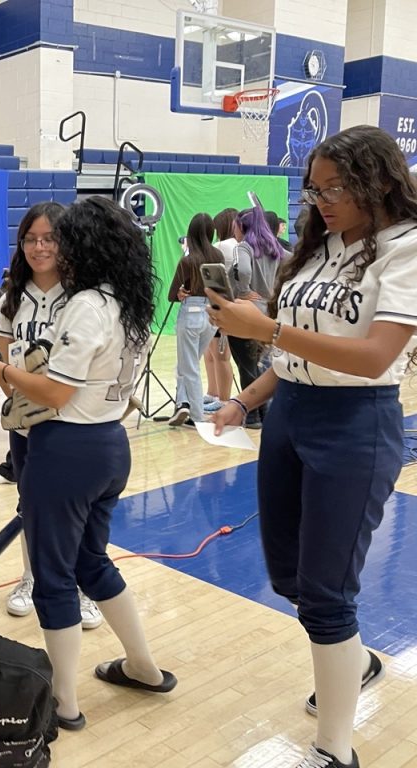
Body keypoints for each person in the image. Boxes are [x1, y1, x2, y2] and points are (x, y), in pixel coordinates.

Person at [209, 125, 417, 768]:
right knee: (290, 576)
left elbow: (376, 354)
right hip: (290, 417)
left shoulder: (406, 247)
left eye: (338, 187)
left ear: (379, 181)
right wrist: (247, 399)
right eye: (316, 189)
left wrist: (266, 325)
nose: (323, 200)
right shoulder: (319, 248)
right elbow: (291, 355)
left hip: (356, 421)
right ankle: (355, 661)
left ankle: (334, 750)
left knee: (327, 594)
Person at [0, 197, 176, 732]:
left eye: (60, 239)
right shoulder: (126, 297)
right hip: (110, 444)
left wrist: (3, 376)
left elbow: (57, 393)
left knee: (54, 578)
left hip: (67, 446)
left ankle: (63, 703)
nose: (49, 247)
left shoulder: (85, 303)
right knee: (92, 562)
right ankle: (142, 665)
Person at [0, 201, 103, 630]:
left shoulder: (82, 297)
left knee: (76, 508)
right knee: (30, 502)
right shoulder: (11, 297)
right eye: (31, 239)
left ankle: (81, 586)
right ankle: (31, 577)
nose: (39, 247)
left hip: (72, 423)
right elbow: (0, 348)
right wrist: (13, 392)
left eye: (48, 238)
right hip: (27, 423)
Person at [226, 204, 286, 427]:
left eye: (236, 227)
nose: (234, 231)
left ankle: (250, 415)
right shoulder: (275, 248)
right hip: (269, 314)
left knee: (246, 365)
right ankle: (265, 414)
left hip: (247, 312)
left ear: (243, 228)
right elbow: (293, 263)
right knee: (264, 366)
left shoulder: (244, 247)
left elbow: (243, 271)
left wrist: (242, 291)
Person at [167, 213, 225, 426]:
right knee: (188, 363)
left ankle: (197, 415)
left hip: (190, 312)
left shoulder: (187, 260)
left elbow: (172, 295)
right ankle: (182, 403)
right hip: (211, 313)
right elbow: (220, 288)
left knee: (188, 366)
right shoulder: (218, 256)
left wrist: (182, 291)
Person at [203, 207, 239, 411]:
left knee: (217, 355)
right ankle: (213, 393)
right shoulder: (238, 247)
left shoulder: (221, 246)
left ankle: (221, 397)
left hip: (218, 306)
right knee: (213, 354)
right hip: (221, 306)